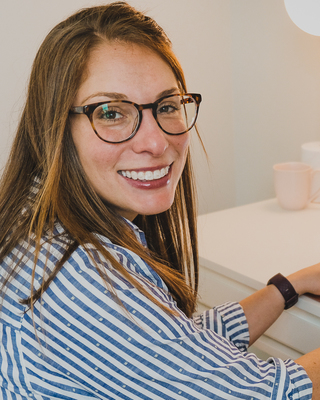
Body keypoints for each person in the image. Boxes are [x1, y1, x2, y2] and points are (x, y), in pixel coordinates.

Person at [0, 2, 320, 399]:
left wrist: (288, 287)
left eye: (167, 106)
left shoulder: (42, 227)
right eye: (111, 113)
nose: (155, 142)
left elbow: (173, 352)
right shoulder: (80, 277)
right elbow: (275, 394)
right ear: (54, 127)